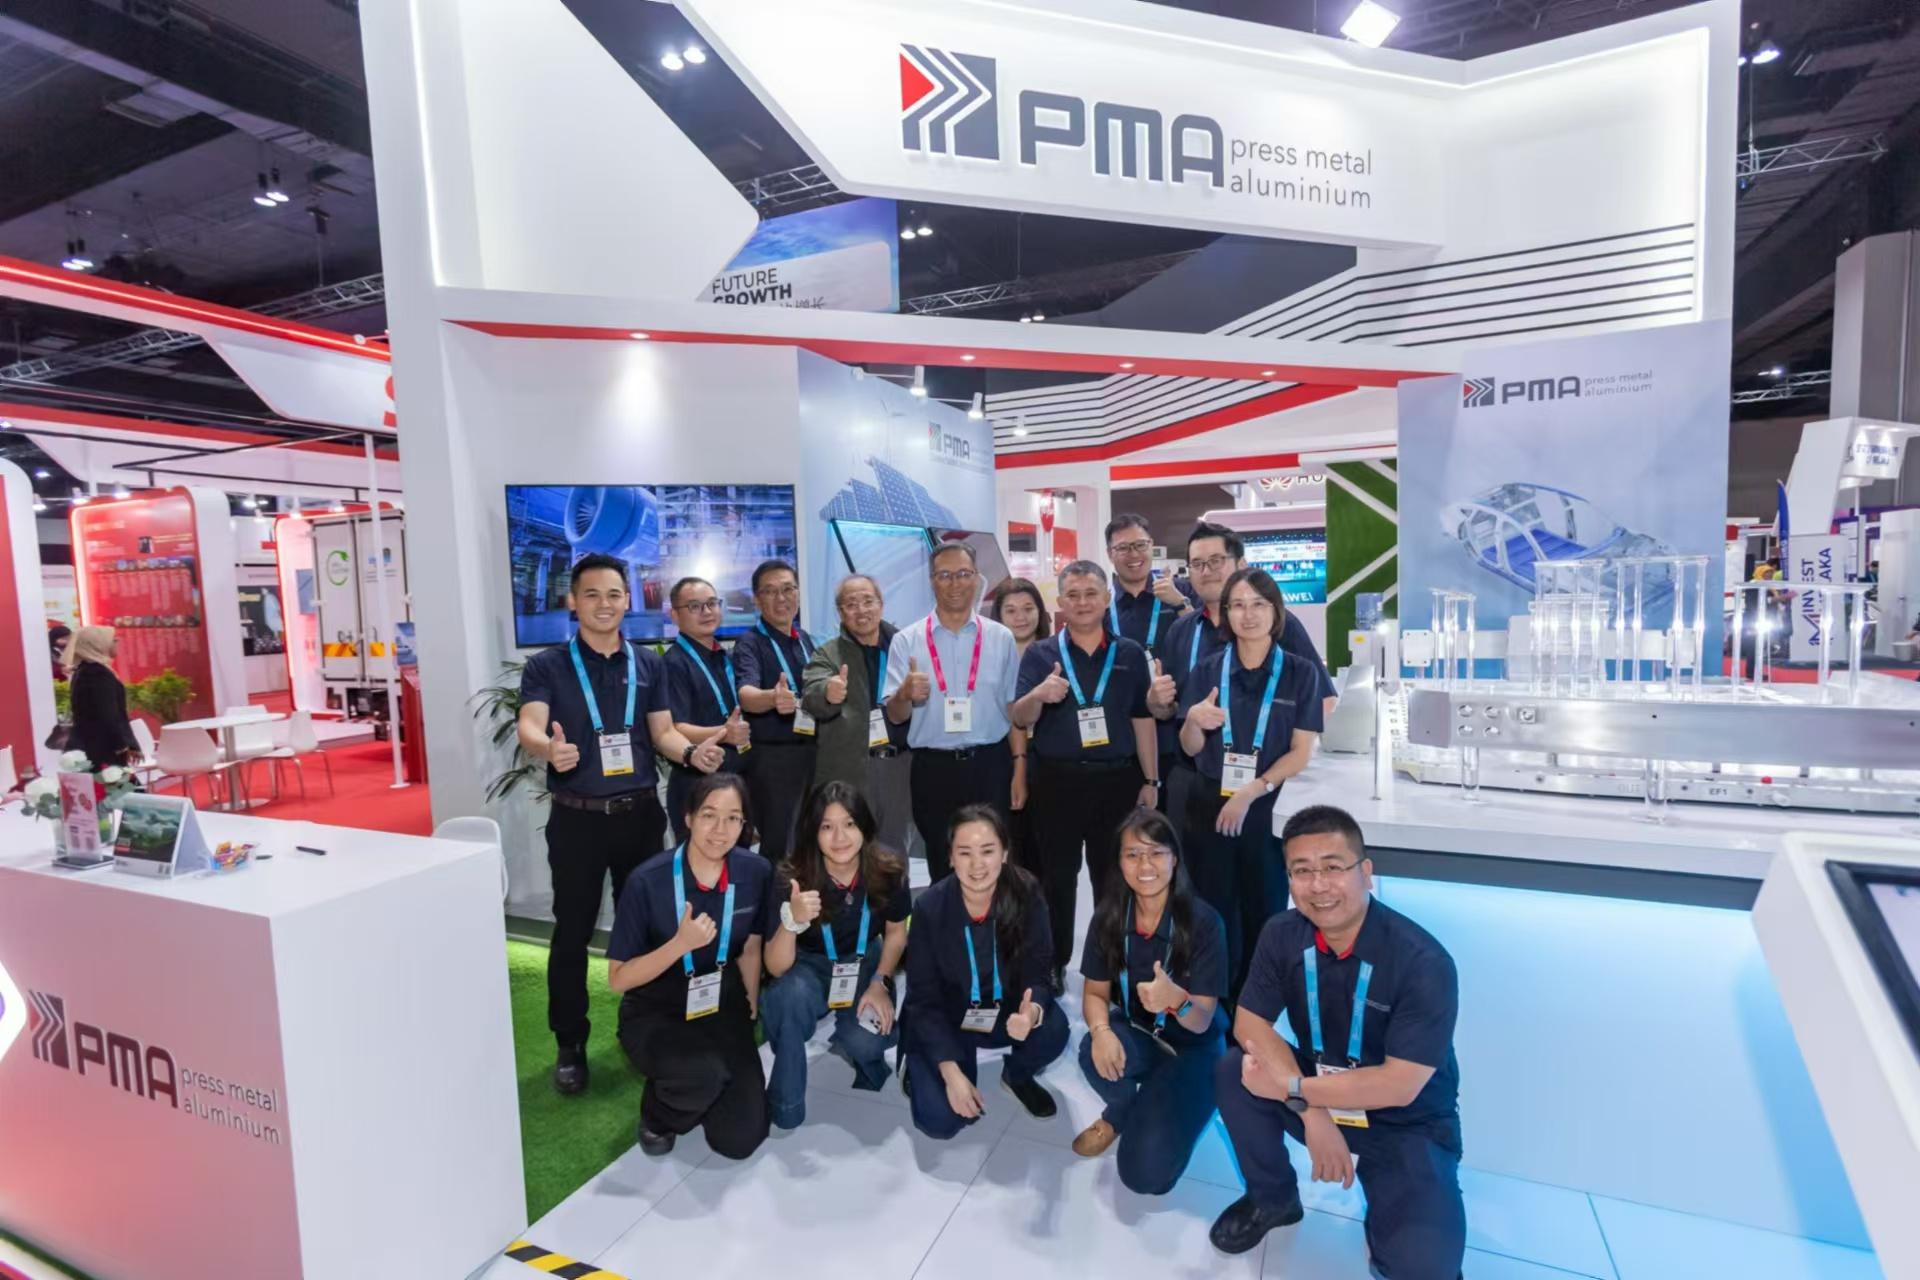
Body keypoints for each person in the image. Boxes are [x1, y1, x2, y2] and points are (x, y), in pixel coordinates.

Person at [1210, 805, 1464, 1280]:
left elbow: (1400, 1085)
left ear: (1366, 873)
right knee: (1234, 1068)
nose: (1318, 885)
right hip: (1320, 1089)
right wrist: (1310, 1111)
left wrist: (1295, 1090)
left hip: (1405, 1119)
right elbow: (1249, 1022)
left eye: (1332, 867)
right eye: (1302, 871)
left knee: (1423, 1266)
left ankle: (1398, 1208)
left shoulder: (1423, 961)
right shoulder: (1282, 934)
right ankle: (1273, 1198)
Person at [518, 553, 724, 1095]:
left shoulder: (648, 664)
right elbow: (530, 725)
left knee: (652, 929)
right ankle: (570, 1042)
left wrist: (692, 753)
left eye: (614, 594)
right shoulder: (548, 666)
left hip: (640, 817)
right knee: (573, 932)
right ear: (573, 601)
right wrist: (547, 749)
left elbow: (663, 733)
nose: (604, 604)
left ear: (628, 600)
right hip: (578, 821)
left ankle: (647, 1030)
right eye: (592, 594)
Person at [606, 773, 775, 1160]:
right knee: (702, 1077)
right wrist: (679, 945)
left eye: (733, 818)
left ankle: (702, 1088)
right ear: (688, 818)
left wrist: (749, 1006)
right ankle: (658, 1113)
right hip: (656, 1009)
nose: (720, 830)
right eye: (709, 815)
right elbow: (618, 979)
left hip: (722, 1001)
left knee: (741, 1139)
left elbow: (751, 946)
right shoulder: (647, 881)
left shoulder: (755, 872)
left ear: (744, 825)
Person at [1010, 561, 1160, 985]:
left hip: (1117, 781)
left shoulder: (1129, 653)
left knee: (1112, 877)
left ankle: (1108, 965)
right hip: (1055, 781)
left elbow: (1142, 719)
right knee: (1056, 877)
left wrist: (1151, 780)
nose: (1082, 602)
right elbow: (1019, 717)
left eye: (1091, 593)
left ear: (1106, 598)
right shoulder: (1041, 654)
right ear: (1060, 602)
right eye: (1072, 595)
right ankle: (1054, 961)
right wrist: (1039, 694)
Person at [1177, 567, 1325, 997]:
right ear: (1225, 613)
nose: (1249, 614)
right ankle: (1216, 1000)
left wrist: (1251, 790)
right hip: (1210, 804)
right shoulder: (1208, 670)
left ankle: (1259, 1001)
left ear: (1276, 611)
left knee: (1265, 907)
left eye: (1259, 604)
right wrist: (1193, 721)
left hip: (1266, 806)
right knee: (1213, 908)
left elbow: (1300, 752)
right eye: (1238, 605)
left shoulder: (1300, 672)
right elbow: (1189, 748)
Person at [1074, 807, 1228, 1194]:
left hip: (1193, 1049)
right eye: (1133, 854)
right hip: (1140, 1033)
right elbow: (1094, 993)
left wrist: (1176, 999)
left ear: (1175, 859)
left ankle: (1172, 1099)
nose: (1145, 865)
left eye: (1156, 853)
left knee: (1145, 1175)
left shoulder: (1204, 922)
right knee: (1093, 1049)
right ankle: (1124, 1109)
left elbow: (1202, 1020)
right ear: (1120, 862)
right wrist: (1102, 1031)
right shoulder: (1110, 916)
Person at [902, 804, 1069, 1135]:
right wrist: (950, 1073)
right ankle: (922, 1060)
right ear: (950, 857)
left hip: (1006, 1010)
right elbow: (923, 997)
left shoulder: (1026, 892)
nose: (977, 864)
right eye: (965, 853)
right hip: (950, 1015)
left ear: (1004, 853)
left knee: (1052, 1029)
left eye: (988, 851)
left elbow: (1039, 968)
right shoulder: (929, 907)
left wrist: (1031, 1012)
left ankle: (1017, 1076)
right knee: (940, 1121)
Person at [759, 782, 909, 1129]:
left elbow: (896, 933)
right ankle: (785, 1104)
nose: (840, 837)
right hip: (807, 966)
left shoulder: (887, 869)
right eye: (827, 826)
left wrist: (880, 981)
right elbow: (775, 966)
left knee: (866, 1043)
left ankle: (856, 1044)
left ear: (864, 827)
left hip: (863, 961)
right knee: (788, 1000)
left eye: (849, 824)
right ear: (812, 832)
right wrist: (792, 921)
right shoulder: (791, 878)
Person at [885, 543, 1021, 883]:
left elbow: (1012, 709)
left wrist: (1019, 767)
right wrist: (904, 694)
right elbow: (897, 716)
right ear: (932, 580)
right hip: (934, 770)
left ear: (976, 578)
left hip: (990, 765)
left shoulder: (1001, 638)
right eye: (944, 575)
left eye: (963, 574)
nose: (955, 583)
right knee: (941, 863)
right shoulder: (906, 641)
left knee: (993, 862)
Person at [801, 575, 913, 855]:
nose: (861, 610)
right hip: (848, 769)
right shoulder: (828, 653)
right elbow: (811, 693)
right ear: (840, 613)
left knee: (893, 853)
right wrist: (828, 691)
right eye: (851, 604)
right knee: (847, 853)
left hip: (898, 767)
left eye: (868, 601)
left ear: (881, 605)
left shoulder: (905, 646)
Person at [735, 559, 818, 863]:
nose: (781, 598)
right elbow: (746, 694)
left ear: (798, 593)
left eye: (788, 589)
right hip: (773, 763)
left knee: (810, 843)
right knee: (780, 848)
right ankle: (776, 896)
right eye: (770, 591)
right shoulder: (749, 643)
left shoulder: (804, 639)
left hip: (811, 753)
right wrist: (772, 698)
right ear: (757, 600)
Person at [663, 575, 752, 843]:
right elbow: (674, 728)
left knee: (739, 863)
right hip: (697, 785)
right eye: (695, 606)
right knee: (699, 866)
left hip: (735, 782)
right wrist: (724, 733)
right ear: (674, 615)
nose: (707, 612)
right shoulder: (673, 664)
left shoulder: (725, 657)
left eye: (712, 603)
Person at [985, 576, 1049, 865]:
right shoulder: (988, 658)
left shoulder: (1055, 655)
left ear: (1040, 612)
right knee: (1009, 844)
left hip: (1048, 761)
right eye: (1010, 610)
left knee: (1045, 848)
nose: (1020, 617)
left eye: (1028, 608)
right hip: (1002, 759)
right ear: (998, 616)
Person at [64, 626, 140, 771]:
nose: (117, 641)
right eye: (112, 639)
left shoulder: (88, 670)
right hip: (103, 750)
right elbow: (108, 714)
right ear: (97, 644)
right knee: (115, 783)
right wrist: (122, 746)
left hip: (96, 747)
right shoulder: (96, 674)